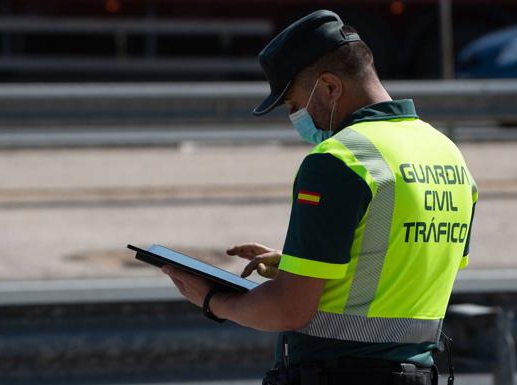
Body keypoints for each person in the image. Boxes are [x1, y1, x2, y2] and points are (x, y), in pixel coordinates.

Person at [161, 9, 477, 385]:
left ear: (329, 87)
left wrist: (213, 301)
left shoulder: (340, 160)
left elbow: (287, 310)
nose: (296, 117)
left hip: (340, 375)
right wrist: (304, 266)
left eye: (294, 105)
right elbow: (408, 266)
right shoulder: (446, 154)